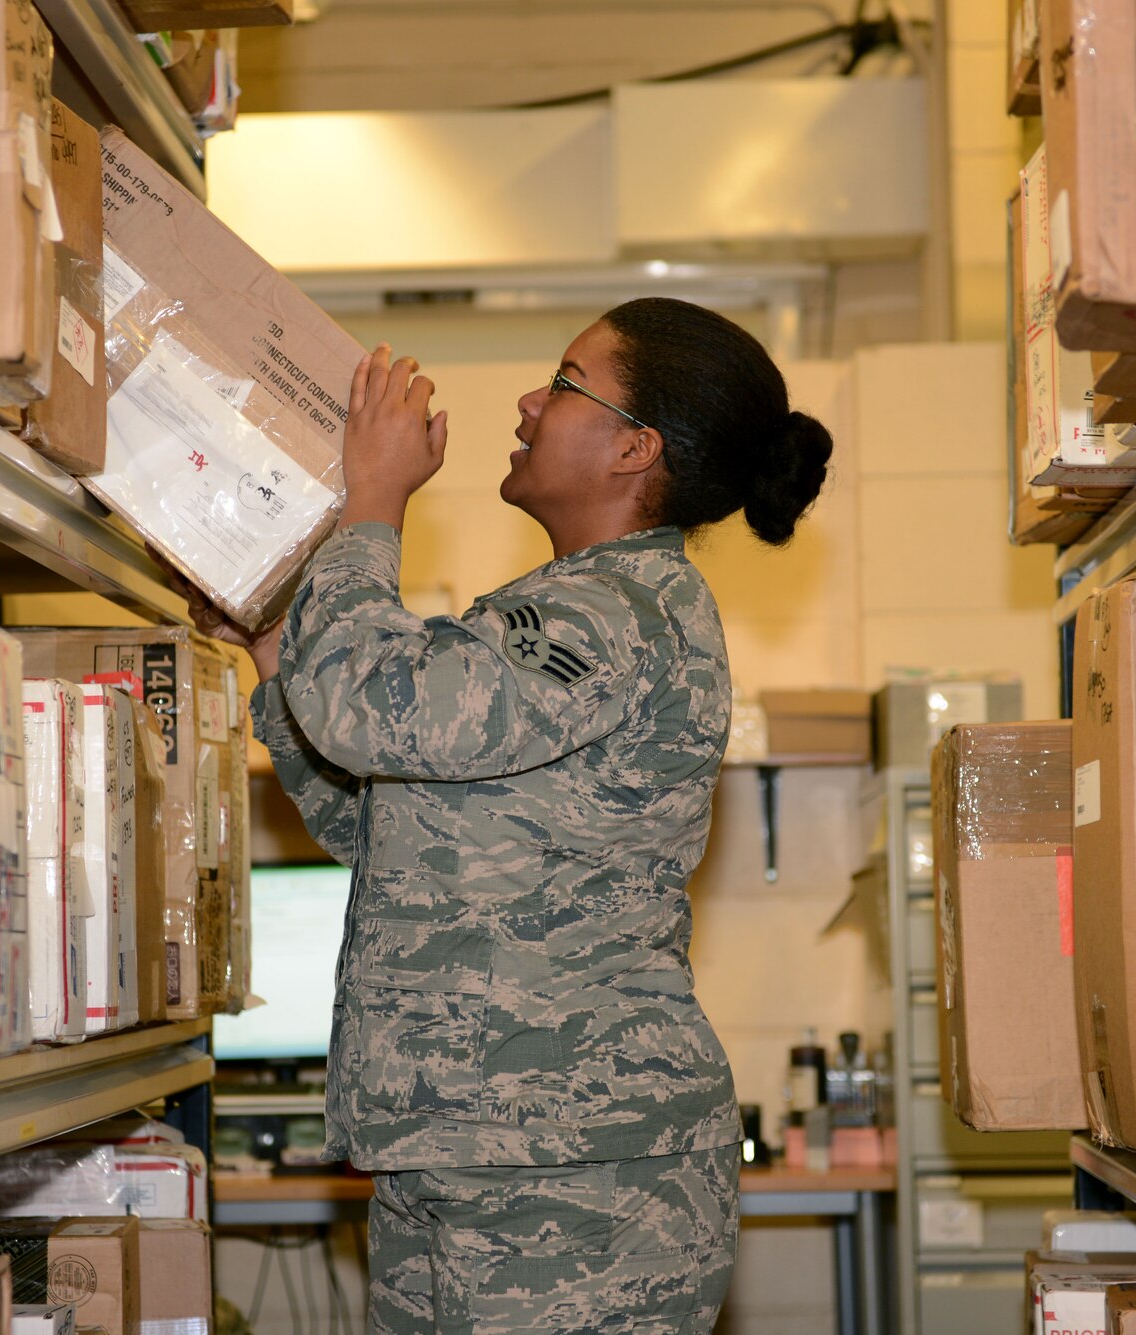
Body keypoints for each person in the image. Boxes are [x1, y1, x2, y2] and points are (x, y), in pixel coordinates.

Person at [193, 297, 832, 1334]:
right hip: (467, 1151)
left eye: (566, 382)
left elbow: (369, 707)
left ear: (634, 447)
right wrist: (272, 648)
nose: (533, 401)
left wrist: (372, 502)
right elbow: (382, 827)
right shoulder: (557, 613)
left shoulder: (614, 614)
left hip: (575, 1180)